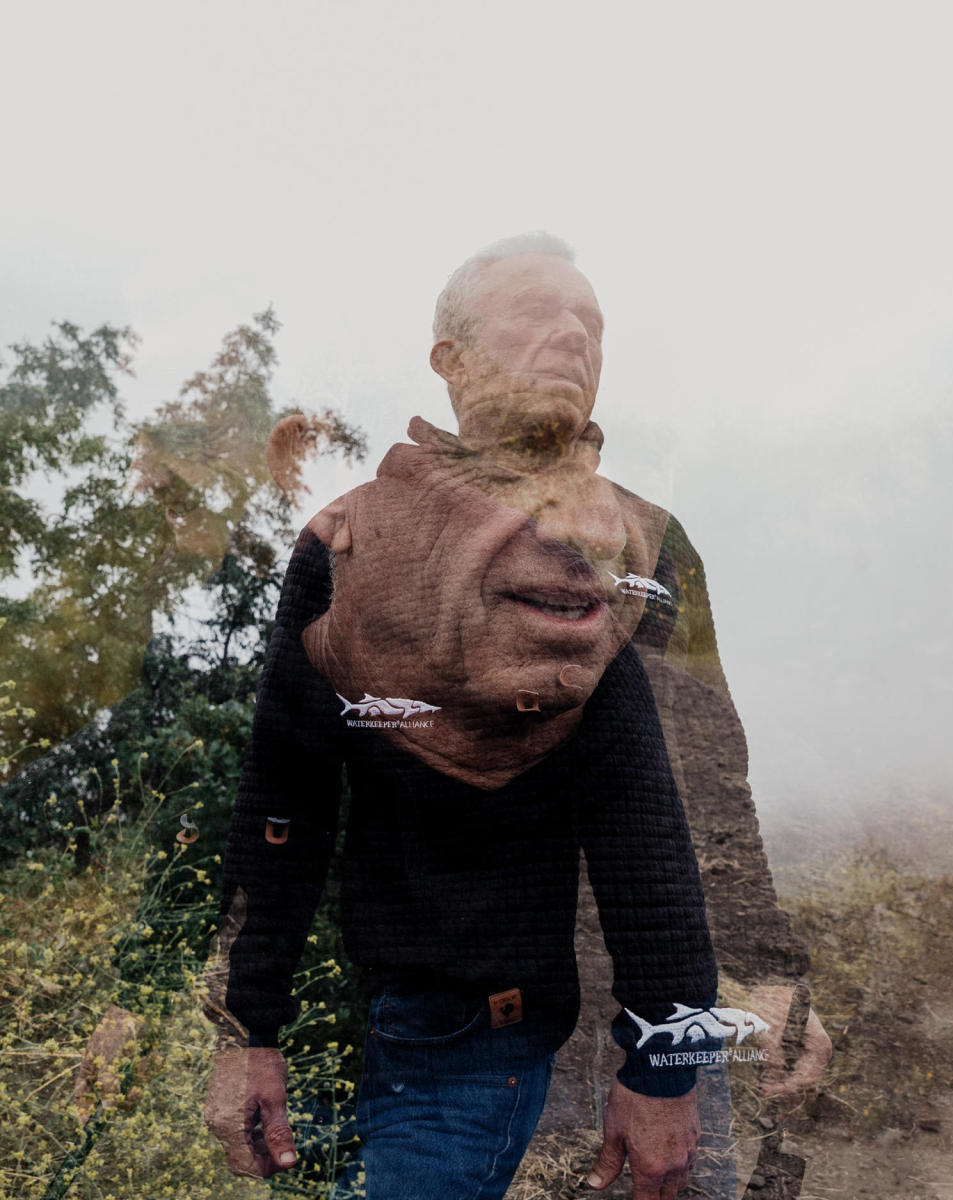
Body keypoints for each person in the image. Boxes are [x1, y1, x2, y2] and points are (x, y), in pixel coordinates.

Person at [204, 236, 830, 1199]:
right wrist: (252, 1032)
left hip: (654, 1019)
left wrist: (758, 984)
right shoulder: (351, 547)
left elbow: (704, 793)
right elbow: (285, 803)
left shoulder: (648, 546)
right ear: (448, 357)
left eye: (590, 323)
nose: (572, 336)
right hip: (448, 1042)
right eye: (534, 313)